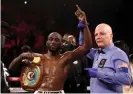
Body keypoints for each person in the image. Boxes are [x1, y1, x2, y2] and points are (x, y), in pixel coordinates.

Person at [8, 5, 92, 93]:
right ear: (46, 42)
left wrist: (84, 23)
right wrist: (21, 56)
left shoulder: (65, 58)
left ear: (61, 44)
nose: (53, 42)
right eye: (50, 39)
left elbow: (86, 46)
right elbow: (11, 68)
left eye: (56, 40)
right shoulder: (38, 58)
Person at [79, 23, 132, 93]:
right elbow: (83, 47)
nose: (98, 37)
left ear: (111, 36)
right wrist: (83, 30)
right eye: (96, 35)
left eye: (102, 34)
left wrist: (98, 74)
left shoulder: (119, 54)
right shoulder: (97, 53)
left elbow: (126, 79)